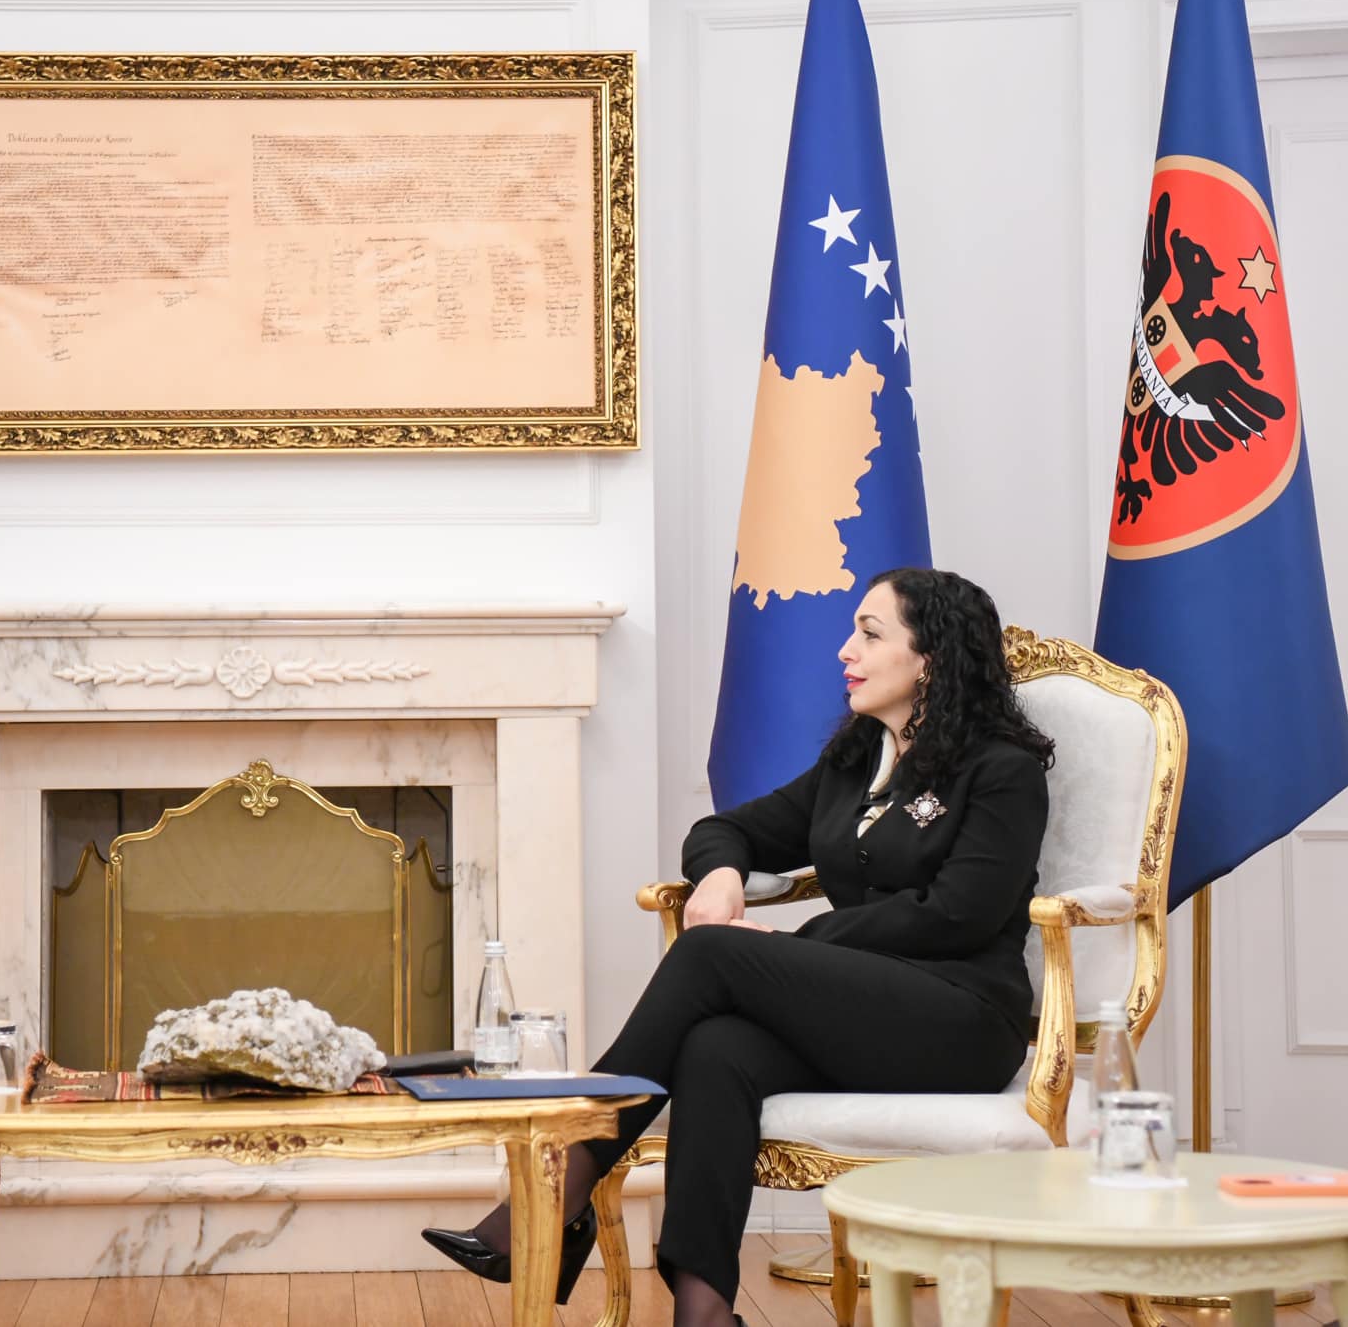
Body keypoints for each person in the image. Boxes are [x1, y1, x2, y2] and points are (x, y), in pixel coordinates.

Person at [423, 567, 1054, 1327]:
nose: (845, 650)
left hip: (961, 1021)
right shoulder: (859, 759)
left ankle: (565, 1176)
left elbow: (960, 913)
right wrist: (722, 874)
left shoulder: (1002, 771)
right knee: (716, 1048)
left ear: (931, 658)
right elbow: (724, 829)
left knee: (709, 955)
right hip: (861, 1016)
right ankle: (705, 1311)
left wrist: (799, 943)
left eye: (869, 633)